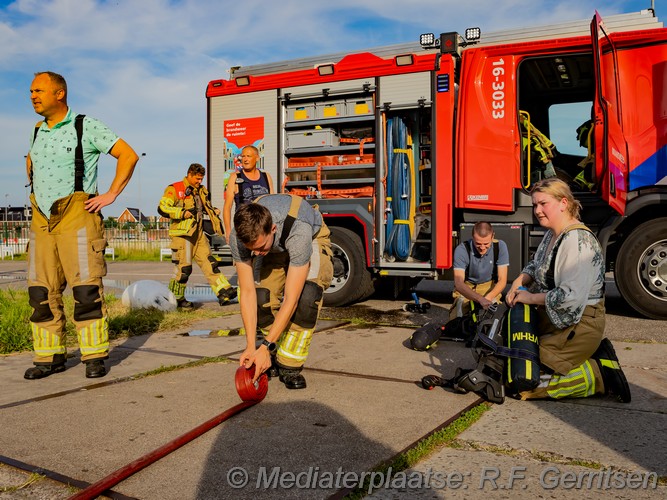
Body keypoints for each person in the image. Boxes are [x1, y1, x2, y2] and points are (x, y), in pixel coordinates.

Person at [24, 71, 139, 380]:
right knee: (40, 292)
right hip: (41, 218)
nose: (33, 95)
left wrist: (111, 194)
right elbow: (31, 164)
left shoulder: (85, 126)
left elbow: (127, 155)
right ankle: (49, 357)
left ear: (59, 94)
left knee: (86, 290)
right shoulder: (37, 130)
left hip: (77, 213)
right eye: (31, 91)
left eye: (39, 90)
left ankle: (94, 356)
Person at [505, 177, 630, 402]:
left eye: (543, 204)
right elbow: (537, 265)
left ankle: (599, 374)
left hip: (579, 325)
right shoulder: (552, 234)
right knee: (514, 359)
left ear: (563, 203)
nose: (538, 210)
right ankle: (585, 359)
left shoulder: (578, 241)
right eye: (535, 205)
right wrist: (519, 280)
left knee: (525, 383)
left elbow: (570, 299)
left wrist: (530, 297)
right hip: (556, 321)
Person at [232, 194, 333, 390]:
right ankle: (273, 351)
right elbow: (247, 293)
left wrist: (265, 345)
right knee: (262, 296)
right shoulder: (240, 237)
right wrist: (252, 346)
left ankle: (289, 365)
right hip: (276, 245)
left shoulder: (299, 232)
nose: (257, 253)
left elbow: (291, 299)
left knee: (307, 297)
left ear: (273, 229)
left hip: (310, 236)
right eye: (252, 250)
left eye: (260, 247)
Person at [158, 163, 237, 309]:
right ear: (189, 174)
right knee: (184, 268)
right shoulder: (175, 188)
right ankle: (176, 299)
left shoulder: (201, 190)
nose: (199, 181)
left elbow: (202, 207)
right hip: (183, 234)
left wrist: (213, 211)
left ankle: (223, 292)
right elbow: (162, 207)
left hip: (198, 233)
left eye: (201, 179)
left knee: (210, 263)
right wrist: (181, 213)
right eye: (197, 179)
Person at [450, 222, 509, 321]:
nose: (482, 248)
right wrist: (480, 299)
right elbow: (459, 283)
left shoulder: (500, 246)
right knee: (457, 319)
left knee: (496, 318)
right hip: (467, 288)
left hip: (489, 288)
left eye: (486, 244)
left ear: (492, 236)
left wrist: (489, 298)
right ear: (472, 237)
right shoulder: (462, 250)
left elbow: (502, 280)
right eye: (478, 244)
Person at [223, 145, 274, 239]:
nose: (245, 159)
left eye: (248, 156)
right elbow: (227, 206)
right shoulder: (235, 177)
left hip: (263, 229)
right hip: (243, 228)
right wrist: (228, 231)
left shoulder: (266, 177)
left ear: (257, 158)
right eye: (243, 156)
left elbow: (272, 204)